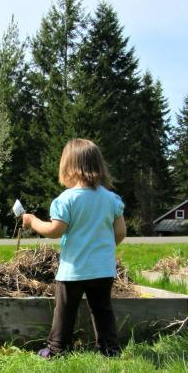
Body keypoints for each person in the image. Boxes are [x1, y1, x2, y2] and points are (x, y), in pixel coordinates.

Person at [22, 139, 126, 358]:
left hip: (73, 270)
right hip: (103, 269)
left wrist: (32, 221)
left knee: (65, 311)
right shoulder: (112, 199)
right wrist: (105, 249)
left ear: (69, 168)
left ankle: (57, 349)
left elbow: (55, 230)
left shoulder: (66, 199)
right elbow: (120, 233)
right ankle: (110, 350)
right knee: (102, 310)